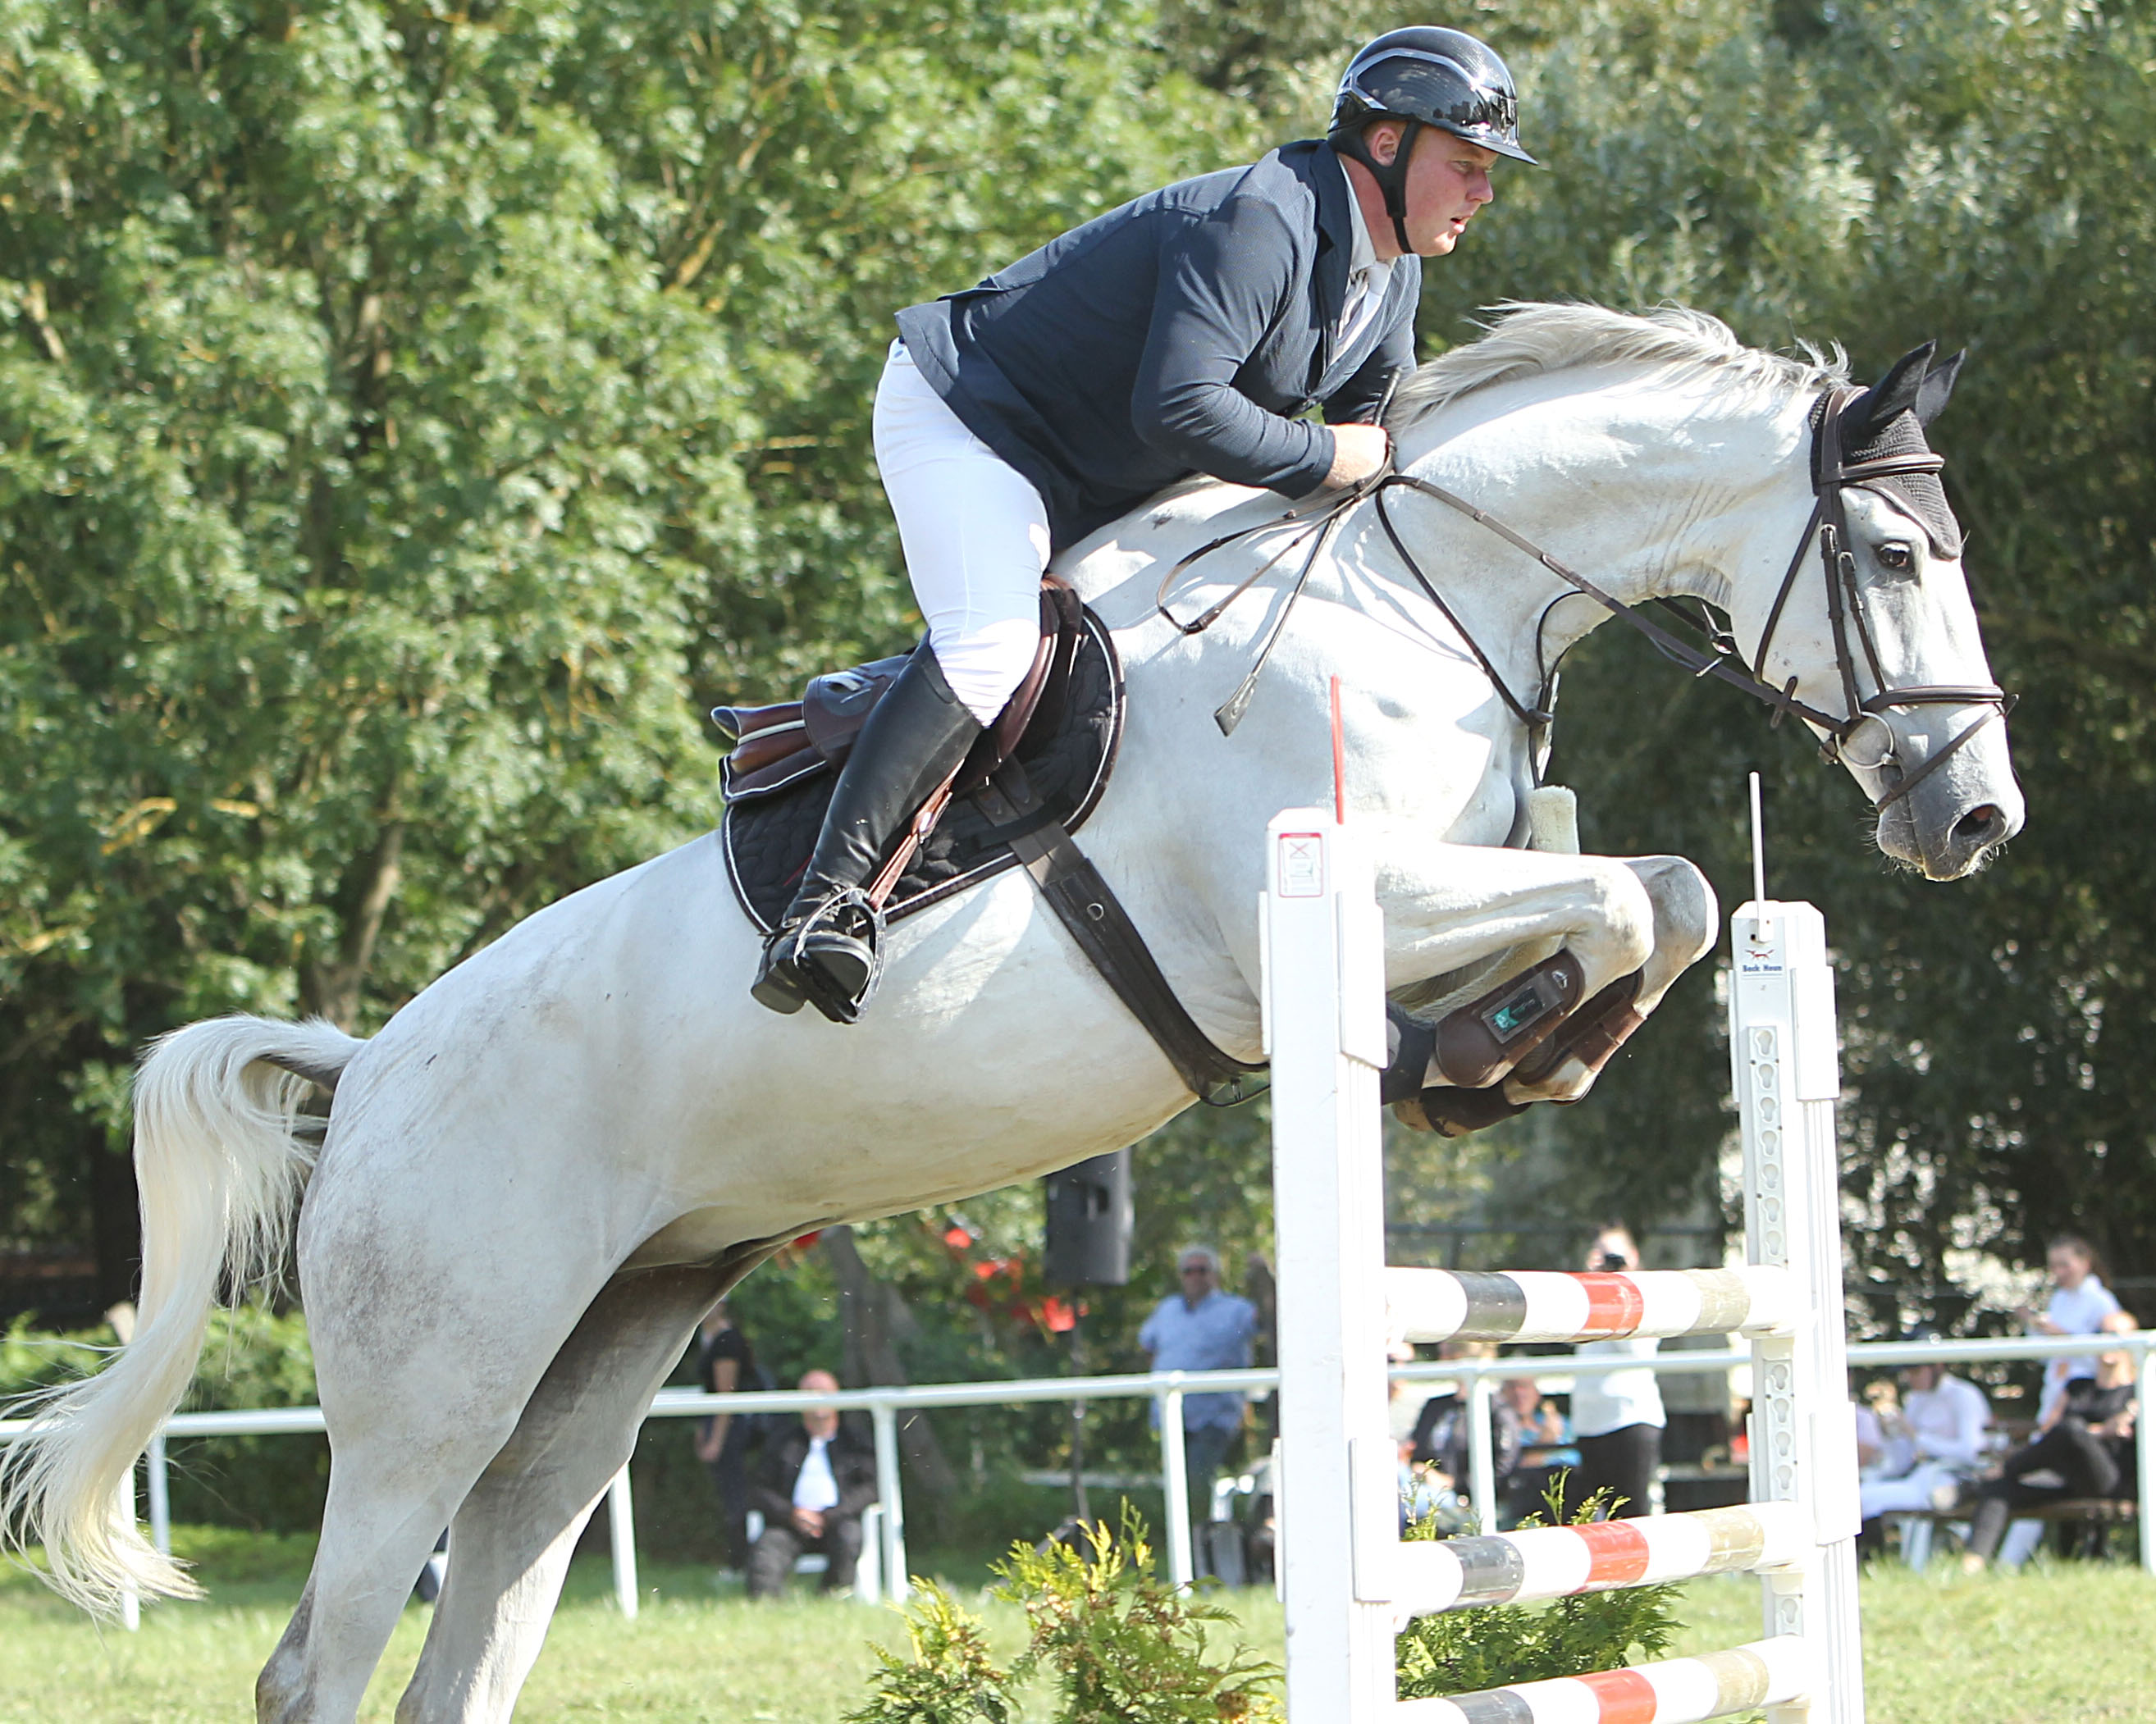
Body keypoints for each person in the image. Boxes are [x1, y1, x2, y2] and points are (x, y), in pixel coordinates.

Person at [751, 26, 1536, 1021]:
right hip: (976, 423)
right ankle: (823, 907)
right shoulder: (1263, 221)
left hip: (1090, 465)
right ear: (1387, 145)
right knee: (993, 644)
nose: (1484, 192)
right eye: (1465, 165)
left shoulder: (1390, 276)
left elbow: (1377, 433)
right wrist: (1331, 455)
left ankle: (897, 715)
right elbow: (1184, 410)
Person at [1963, 1310, 2140, 1569]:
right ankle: (1970, 1568)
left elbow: (2067, 1431)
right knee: (1998, 1489)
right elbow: (2051, 1433)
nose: (2107, 1341)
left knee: (2071, 1429)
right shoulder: (2077, 1387)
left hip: (2110, 1481)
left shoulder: (2141, 1391)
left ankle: (2001, 1470)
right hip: (2066, 1478)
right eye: (2101, 1334)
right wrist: (2102, 1430)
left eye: (2115, 1335)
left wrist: (2091, 1432)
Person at [1139, 1245, 1260, 1531]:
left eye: (1202, 1270)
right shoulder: (1167, 1309)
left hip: (1213, 1414)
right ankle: (1178, 1544)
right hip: (1171, 1413)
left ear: (1215, 1275)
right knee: (1175, 1482)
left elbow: (1268, 1325)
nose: (1195, 1277)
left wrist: (1262, 1279)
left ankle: (1199, 1547)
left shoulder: (1237, 1311)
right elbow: (1148, 1346)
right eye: (1188, 1271)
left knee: (1196, 1481)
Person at [746, 1369, 880, 1599]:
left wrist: (830, 1515)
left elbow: (871, 1488)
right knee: (766, 1550)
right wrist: (793, 1514)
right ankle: (767, 1607)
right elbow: (760, 1489)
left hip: (838, 1522)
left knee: (850, 1538)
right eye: (809, 1392)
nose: (817, 1398)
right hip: (790, 1523)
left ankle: (831, 1597)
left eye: (824, 1392)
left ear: (837, 1396)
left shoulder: (855, 1442)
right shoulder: (782, 1441)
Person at [1560, 1226, 1665, 1521]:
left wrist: (1621, 1289)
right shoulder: (1586, 1301)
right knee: (1592, 1518)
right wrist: (1594, 1283)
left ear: (1634, 1257)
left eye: (1615, 1256)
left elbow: (1639, 1352)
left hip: (1629, 1419)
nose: (1609, 1263)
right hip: (1589, 1424)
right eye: (1602, 1255)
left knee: (1634, 1513)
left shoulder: (1645, 1297)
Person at [1854, 1341, 1991, 1529]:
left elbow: (1972, 1452)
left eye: (1915, 1371)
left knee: (1863, 1499)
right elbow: (1902, 1461)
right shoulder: (1916, 1400)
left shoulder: (1963, 1395)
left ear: (1938, 1367)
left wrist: (1916, 1437)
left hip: (1951, 1480)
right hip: (1920, 1477)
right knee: (1862, 1493)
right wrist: (1890, 1435)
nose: (1910, 1378)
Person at [2025, 1234, 2122, 1428]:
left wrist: (2062, 1335)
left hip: (2084, 1395)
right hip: (2054, 1389)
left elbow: (2113, 1356)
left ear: (2085, 1263)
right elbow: (2046, 1355)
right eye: (2053, 1266)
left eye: (2064, 1264)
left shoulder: (2102, 1301)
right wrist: (2033, 1326)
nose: (2058, 1272)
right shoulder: (2059, 1299)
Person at [691, 1299, 760, 1571]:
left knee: (735, 1496)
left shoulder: (726, 1341)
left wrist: (715, 1441)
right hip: (718, 1423)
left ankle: (740, 1564)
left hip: (731, 1428)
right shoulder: (707, 1338)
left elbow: (725, 1395)